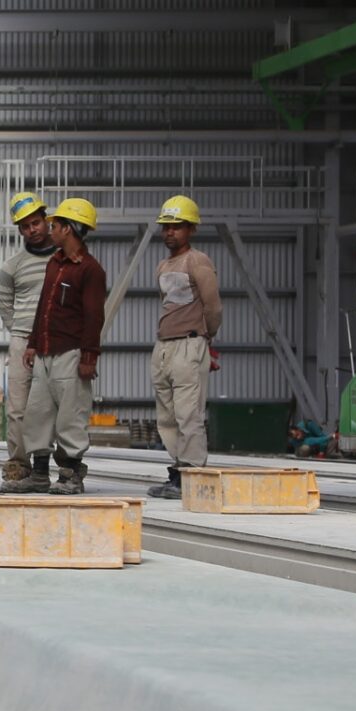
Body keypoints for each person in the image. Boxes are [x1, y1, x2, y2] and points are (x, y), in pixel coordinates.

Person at [22, 197, 105, 496]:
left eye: (55, 225)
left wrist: (89, 357)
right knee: (37, 414)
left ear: (68, 229)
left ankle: (71, 475)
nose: (50, 228)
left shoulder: (90, 270)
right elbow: (43, 307)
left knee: (71, 417)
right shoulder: (54, 264)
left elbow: (94, 317)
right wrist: (32, 344)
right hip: (45, 352)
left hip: (71, 354)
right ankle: (40, 474)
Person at [148, 194, 222, 500]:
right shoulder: (164, 265)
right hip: (164, 346)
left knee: (188, 413)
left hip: (190, 344)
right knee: (167, 414)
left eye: (176, 227)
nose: (169, 233)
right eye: (166, 227)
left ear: (190, 229)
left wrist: (207, 337)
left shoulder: (198, 261)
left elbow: (213, 306)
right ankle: (178, 470)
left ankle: (193, 473)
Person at [0, 192, 56, 492]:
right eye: (25, 226)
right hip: (22, 342)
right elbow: (5, 305)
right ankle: (19, 464)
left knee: (52, 408)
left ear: (46, 221)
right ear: (20, 230)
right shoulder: (12, 266)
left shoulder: (63, 259)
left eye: (36, 222)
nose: (32, 229)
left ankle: (59, 467)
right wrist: (21, 334)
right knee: (18, 407)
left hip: (56, 343)